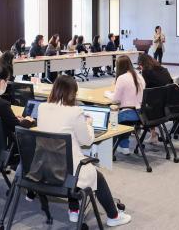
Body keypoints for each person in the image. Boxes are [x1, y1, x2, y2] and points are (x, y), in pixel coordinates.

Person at [37, 76, 132, 227]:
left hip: (45, 167)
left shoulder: (42, 107)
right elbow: (86, 141)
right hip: (66, 171)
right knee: (96, 176)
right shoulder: (75, 112)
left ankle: (74, 210)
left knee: (72, 164)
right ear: (72, 93)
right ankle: (113, 216)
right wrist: (89, 124)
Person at [107, 56, 145, 155]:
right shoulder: (139, 76)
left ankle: (117, 146)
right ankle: (123, 146)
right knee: (120, 115)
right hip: (142, 113)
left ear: (118, 66)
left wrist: (107, 94)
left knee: (109, 117)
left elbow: (115, 99)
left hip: (129, 114)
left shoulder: (122, 78)